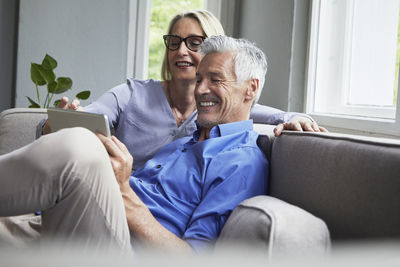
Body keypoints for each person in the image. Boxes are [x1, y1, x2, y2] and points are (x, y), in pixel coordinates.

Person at [1, 35, 270, 253]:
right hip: (68, 221)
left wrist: (122, 190)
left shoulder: (243, 160)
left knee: (82, 145)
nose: (199, 89)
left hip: (124, 249)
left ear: (251, 88)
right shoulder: (183, 142)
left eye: (215, 79)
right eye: (199, 79)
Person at [41, 9, 326, 171]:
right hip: (119, 190)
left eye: (194, 42)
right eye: (174, 41)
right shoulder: (130, 93)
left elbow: (269, 112)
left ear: (215, 49)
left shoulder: (215, 107)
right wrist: (60, 120)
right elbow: (85, 118)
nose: (181, 51)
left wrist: (297, 119)